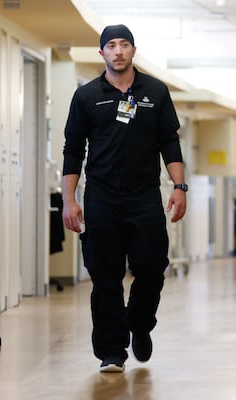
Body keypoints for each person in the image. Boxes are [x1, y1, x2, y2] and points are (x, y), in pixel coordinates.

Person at [61, 24, 187, 373]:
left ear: (133, 50)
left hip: (145, 195)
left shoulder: (156, 92)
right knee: (105, 276)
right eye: (111, 45)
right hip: (101, 197)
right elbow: (73, 151)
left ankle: (141, 323)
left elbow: (169, 142)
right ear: (102, 53)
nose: (118, 51)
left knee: (152, 267)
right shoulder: (86, 96)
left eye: (124, 44)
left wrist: (179, 187)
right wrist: (69, 199)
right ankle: (111, 351)